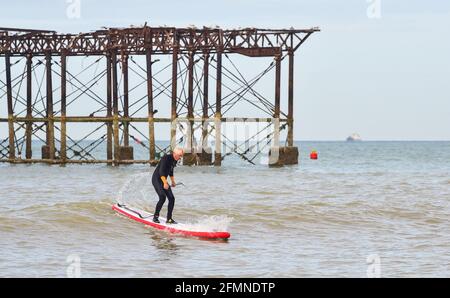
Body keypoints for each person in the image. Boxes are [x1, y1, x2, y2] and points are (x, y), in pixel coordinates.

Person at [152, 148, 184, 224]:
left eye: (181, 156)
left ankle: (169, 219)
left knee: (172, 198)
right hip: (157, 179)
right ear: (174, 153)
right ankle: (155, 217)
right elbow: (161, 172)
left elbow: (171, 171)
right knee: (162, 197)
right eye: (180, 155)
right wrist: (165, 183)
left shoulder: (174, 160)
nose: (180, 158)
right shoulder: (166, 158)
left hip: (163, 180)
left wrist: (173, 181)